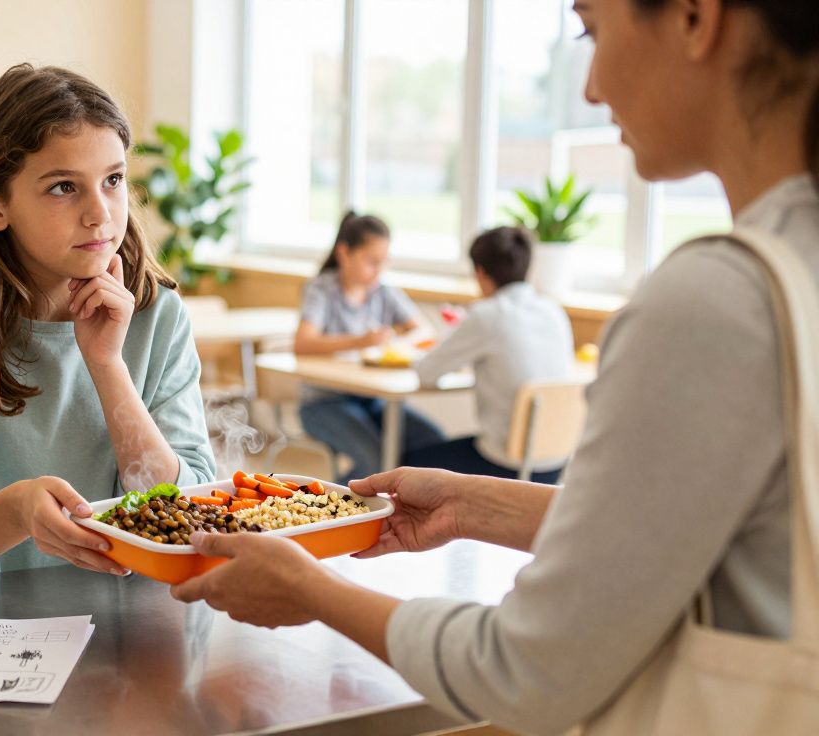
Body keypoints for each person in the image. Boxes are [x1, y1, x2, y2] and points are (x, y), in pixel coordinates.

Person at [171, 1, 819, 732]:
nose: (590, 89)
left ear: (697, 19)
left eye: (590, 30)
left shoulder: (715, 301)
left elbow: (528, 671)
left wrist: (311, 589)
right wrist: (475, 505)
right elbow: (703, 537)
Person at [0, 64, 216, 581]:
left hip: (142, 624)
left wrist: (106, 363)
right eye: (63, 187)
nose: (100, 213)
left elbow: (190, 510)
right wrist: (16, 511)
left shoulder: (158, 315)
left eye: (114, 180)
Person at [405, 226, 574, 482]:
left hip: (505, 465)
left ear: (481, 272)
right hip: (555, 464)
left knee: (405, 463)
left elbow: (426, 373)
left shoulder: (487, 315)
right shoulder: (553, 311)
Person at [295, 211, 445, 483]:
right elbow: (303, 344)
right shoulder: (321, 290)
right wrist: (360, 341)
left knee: (432, 442)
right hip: (324, 403)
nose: (379, 270)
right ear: (344, 253)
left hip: (373, 398)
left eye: (383, 262)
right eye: (372, 262)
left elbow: (425, 331)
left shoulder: (383, 292)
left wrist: (398, 343)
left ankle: (390, 510)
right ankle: (335, 511)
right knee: (376, 458)